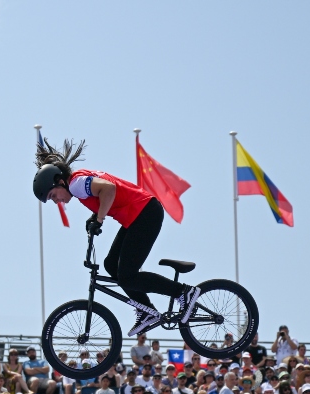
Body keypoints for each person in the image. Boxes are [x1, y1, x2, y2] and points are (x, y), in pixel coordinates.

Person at [33, 137, 199, 336]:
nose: (56, 201)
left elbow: (108, 189)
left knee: (127, 275)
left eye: (53, 195)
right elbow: (105, 192)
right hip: (138, 215)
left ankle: (183, 292)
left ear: (60, 181)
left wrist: (99, 219)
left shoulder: (76, 184)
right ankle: (146, 310)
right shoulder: (79, 182)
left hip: (145, 214)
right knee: (111, 265)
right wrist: (95, 216)